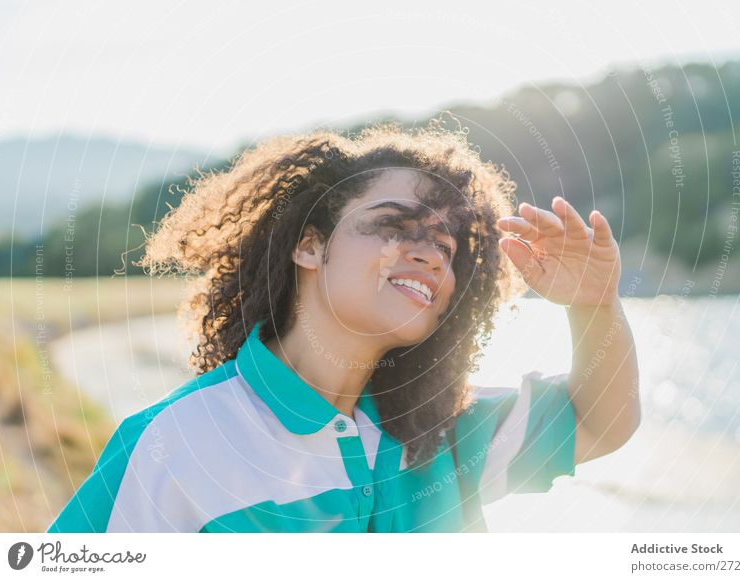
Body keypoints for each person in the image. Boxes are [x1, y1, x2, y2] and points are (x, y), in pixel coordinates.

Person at [47, 118, 640, 532]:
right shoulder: (174, 443)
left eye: (445, 245)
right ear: (310, 246)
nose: (431, 253)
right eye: (394, 224)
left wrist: (592, 305)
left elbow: (601, 424)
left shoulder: (444, 434)